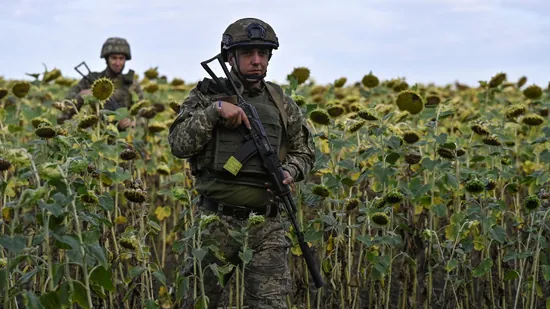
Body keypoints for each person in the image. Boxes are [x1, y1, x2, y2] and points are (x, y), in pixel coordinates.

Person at [168, 17, 315, 309]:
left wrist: (289, 171)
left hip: (268, 224)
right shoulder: (206, 95)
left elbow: (306, 152)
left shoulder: (281, 103)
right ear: (231, 58)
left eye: (263, 53)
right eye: (248, 53)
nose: (257, 61)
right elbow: (179, 144)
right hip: (216, 223)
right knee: (199, 302)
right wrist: (214, 112)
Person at [60, 37, 144, 130]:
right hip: (93, 136)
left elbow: (142, 113)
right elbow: (65, 110)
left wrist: (132, 122)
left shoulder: (132, 84)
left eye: (121, 58)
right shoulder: (91, 80)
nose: (117, 63)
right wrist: (81, 96)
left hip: (121, 138)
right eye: (114, 58)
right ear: (107, 59)